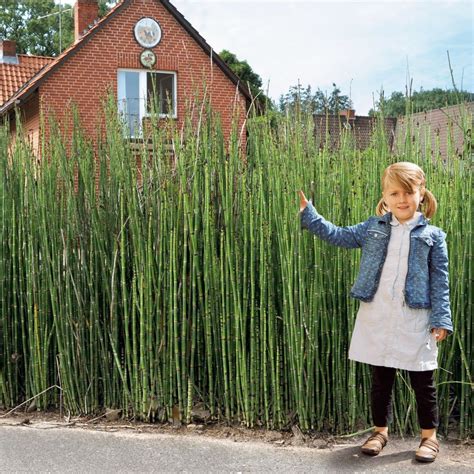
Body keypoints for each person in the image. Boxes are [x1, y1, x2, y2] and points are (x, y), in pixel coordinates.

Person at [298, 161, 452, 463]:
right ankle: (380, 431)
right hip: (378, 312)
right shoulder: (373, 228)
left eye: (409, 191)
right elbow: (339, 235)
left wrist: (441, 318)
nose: (402, 199)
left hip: (416, 317)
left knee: (423, 381)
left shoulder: (434, 235)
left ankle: (429, 436)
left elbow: (440, 279)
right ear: (385, 196)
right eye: (394, 193)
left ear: (422, 193)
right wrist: (310, 215)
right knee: (381, 378)